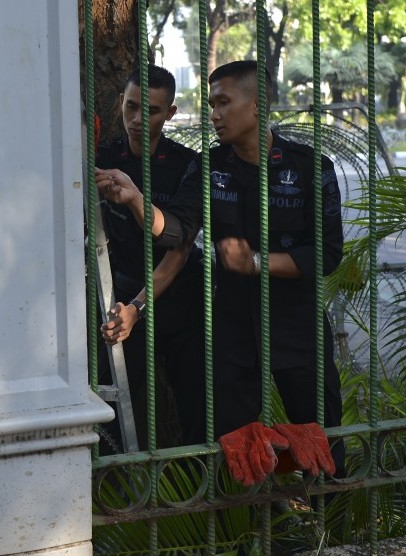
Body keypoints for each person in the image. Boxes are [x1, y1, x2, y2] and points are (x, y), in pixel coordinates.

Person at [97, 60, 344, 470]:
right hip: (231, 334)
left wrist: (257, 263)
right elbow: (177, 231)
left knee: (321, 443)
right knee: (238, 449)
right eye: (211, 103)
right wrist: (137, 200)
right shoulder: (209, 167)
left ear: (258, 105)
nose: (213, 114)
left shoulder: (309, 168)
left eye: (224, 102)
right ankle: (246, 529)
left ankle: (328, 526)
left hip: (296, 329)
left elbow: (328, 254)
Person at [95, 65, 206, 452]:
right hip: (120, 297)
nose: (140, 119)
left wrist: (134, 198)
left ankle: (197, 498)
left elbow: (179, 246)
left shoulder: (189, 165)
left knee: (198, 409)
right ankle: (107, 495)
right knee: (107, 408)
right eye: (132, 107)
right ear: (120, 103)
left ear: (171, 113)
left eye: (154, 111)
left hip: (179, 299)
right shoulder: (104, 155)